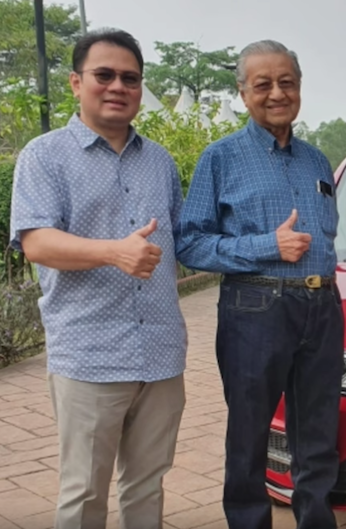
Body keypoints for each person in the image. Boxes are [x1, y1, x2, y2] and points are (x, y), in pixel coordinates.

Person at [8, 28, 187, 529]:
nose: (117, 87)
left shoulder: (161, 162)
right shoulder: (44, 156)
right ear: (75, 82)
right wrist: (115, 252)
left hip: (161, 353)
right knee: (84, 492)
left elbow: (183, 239)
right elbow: (35, 242)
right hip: (89, 354)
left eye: (130, 78)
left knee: (147, 486)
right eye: (103, 75)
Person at [175, 39, 343, 529]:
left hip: (322, 307)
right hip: (256, 307)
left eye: (286, 82)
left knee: (317, 437)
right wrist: (266, 244)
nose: (276, 93)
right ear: (243, 92)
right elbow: (190, 243)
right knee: (249, 438)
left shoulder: (316, 160)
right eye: (263, 84)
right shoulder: (220, 158)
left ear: (299, 88)